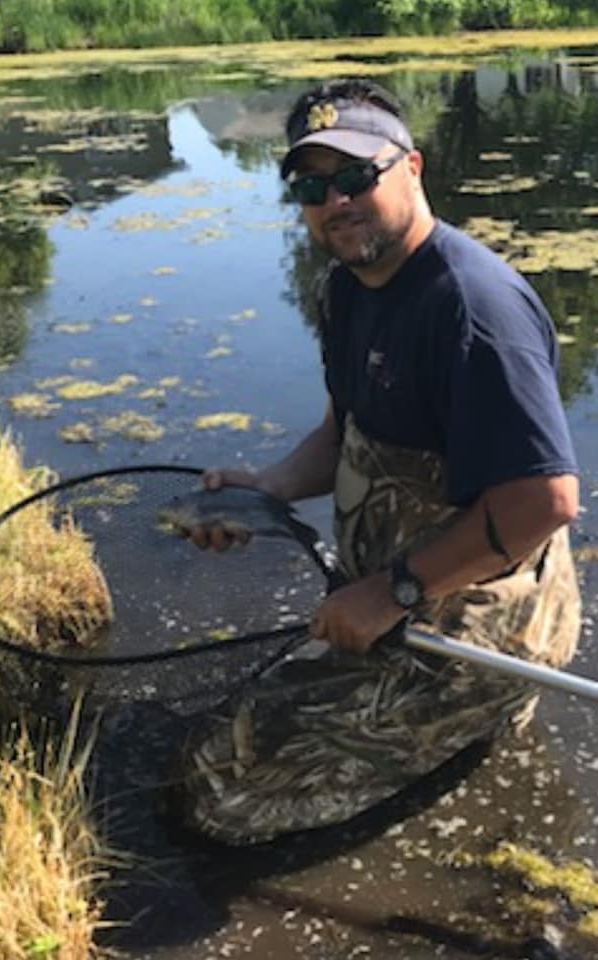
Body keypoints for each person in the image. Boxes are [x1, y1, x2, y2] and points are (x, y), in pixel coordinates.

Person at [179, 79, 581, 845]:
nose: (336, 201)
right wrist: (266, 490)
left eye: (356, 175)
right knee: (219, 747)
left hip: (469, 634)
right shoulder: (346, 288)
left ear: (412, 167)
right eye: (312, 186)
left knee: (217, 797)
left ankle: (485, 707)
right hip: (391, 606)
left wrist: (391, 590)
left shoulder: (473, 309)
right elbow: (341, 434)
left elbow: (544, 501)